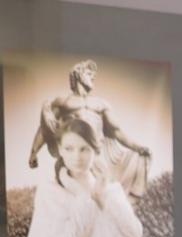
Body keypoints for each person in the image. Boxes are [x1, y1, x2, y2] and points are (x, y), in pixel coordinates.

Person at [24, 119, 143, 237]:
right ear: (60, 149)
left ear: (95, 150)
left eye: (84, 149)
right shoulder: (51, 191)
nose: (77, 157)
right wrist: (87, 199)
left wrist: (105, 197)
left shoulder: (110, 189)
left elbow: (134, 235)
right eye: (69, 149)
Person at [28, 59, 152, 197]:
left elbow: (117, 131)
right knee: (74, 196)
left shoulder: (101, 104)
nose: (93, 77)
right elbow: (45, 127)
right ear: (78, 75)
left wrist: (137, 147)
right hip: (73, 156)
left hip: (96, 155)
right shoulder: (63, 102)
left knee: (102, 197)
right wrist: (33, 152)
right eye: (89, 73)